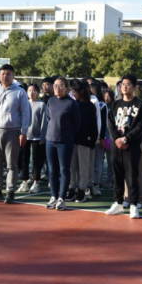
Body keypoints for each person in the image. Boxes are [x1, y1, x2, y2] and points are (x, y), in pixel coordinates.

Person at [0, 64, 31, 204]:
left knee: (11, 164)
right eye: (3, 73)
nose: (5, 76)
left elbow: (25, 113)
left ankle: (10, 191)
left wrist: (24, 132)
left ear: (13, 76)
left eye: (8, 74)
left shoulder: (20, 92)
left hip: (13, 131)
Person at [106, 74, 142, 219]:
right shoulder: (115, 104)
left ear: (134, 87)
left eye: (128, 84)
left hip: (131, 146)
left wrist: (125, 139)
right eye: (123, 84)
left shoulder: (140, 105)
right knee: (117, 175)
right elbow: (111, 124)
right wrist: (117, 139)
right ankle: (118, 202)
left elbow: (140, 127)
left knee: (132, 176)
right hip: (116, 146)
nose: (125, 87)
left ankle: (133, 204)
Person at [45, 77, 81, 211]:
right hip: (50, 140)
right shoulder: (51, 101)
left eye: (60, 85)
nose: (57, 88)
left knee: (64, 170)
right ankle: (53, 196)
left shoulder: (72, 103)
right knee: (52, 170)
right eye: (55, 85)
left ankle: (61, 198)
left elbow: (77, 124)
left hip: (65, 142)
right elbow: (48, 119)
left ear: (66, 88)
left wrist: (67, 135)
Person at [67, 80, 99, 203]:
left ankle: (81, 190)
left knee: (83, 168)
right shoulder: (72, 104)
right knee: (72, 167)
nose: (73, 94)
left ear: (81, 91)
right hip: (72, 141)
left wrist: (92, 140)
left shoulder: (90, 106)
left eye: (74, 91)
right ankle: (72, 189)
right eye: (72, 91)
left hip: (85, 142)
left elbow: (93, 125)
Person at [18, 83, 48, 194]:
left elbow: (44, 122)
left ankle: (36, 182)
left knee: (36, 161)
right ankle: (25, 181)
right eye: (29, 90)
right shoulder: (24, 103)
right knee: (24, 160)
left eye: (34, 90)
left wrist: (43, 137)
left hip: (37, 137)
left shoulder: (41, 105)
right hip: (25, 135)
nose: (31, 92)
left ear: (38, 92)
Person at [91, 82, 109, 196]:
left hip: (98, 139)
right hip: (87, 139)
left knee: (97, 163)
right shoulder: (85, 102)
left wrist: (102, 138)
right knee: (88, 163)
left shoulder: (102, 105)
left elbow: (103, 124)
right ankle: (88, 185)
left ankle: (96, 184)